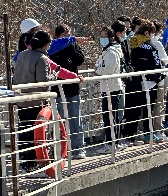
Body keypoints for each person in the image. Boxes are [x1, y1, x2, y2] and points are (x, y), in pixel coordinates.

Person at [13, 30, 80, 172]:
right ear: (46, 44)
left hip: (21, 100)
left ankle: (25, 163)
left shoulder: (22, 55)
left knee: (24, 131)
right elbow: (43, 82)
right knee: (35, 134)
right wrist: (54, 75)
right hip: (36, 102)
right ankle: (32, 164)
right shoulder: (41, 58)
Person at [49, 25, 87, 159]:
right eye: (64, 34)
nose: (67, 37)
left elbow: (80, 59)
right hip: (57, 88)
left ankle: (78, 148)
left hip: (73, 88)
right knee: (60, 121)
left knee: (75, 119)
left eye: (68, 34)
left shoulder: (73, 44)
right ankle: (62, 150)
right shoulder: (52, 47)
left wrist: (71, 47)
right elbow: (55, 64)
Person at [128, 19, 166, 143]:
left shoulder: (133, 43)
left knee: (139, 108)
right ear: (146, 33)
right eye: (152, 33)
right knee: (149, 109)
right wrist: (158, 77)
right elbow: (155, 63)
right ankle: (149, 133)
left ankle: (135, 134)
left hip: (137, 80)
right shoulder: (149, 46)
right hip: (150, 80)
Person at [95, 26, 125, 153]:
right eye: (101, 36)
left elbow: (109, 70)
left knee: (111, 118)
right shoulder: (106, 51)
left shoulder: (112, 52)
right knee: (109, 118)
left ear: (111, 38)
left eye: (104, 36)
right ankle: (113, 143)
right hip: (107, 88)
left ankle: (112, 144)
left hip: (112, 88)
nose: (102, 39)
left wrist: (97, 70)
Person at [150, 20, 168, 140]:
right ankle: (158, 130)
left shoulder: (142, 43)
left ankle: (148, 131)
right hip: (159, 79)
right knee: (159, 105)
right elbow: (165, 59)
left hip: (147, 80)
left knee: (148, 106)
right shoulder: (156, 43)